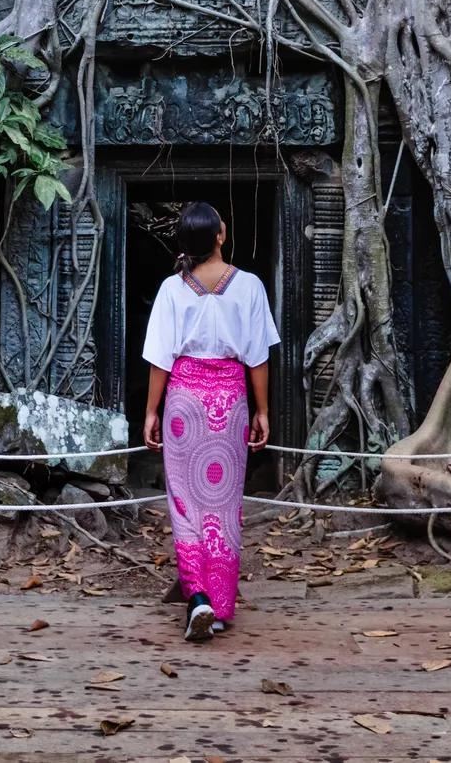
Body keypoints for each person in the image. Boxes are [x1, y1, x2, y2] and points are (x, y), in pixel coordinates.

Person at [141, 201, 280, 642]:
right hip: (229, 402)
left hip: (184, 401)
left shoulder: (170, 289)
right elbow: (257, 356)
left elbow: (160, 359)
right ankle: (218, 608)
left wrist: (151, 412)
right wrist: (262, 410)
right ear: (220, 234)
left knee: (184, 502)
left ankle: (196, 596)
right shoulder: (250, 286)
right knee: (224, 505)